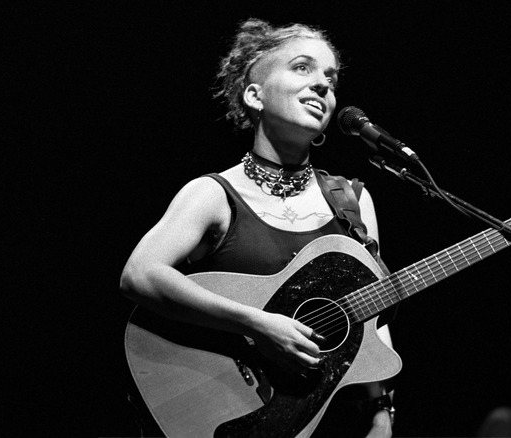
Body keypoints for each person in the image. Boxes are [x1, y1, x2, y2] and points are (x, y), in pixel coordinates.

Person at [120, 18, 396, 437]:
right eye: (302, 68)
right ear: (255, 95)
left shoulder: (353, 200)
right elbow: (140, 275)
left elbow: (370, 320)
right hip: (238, 411)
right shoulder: (212, 194)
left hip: (333, 421)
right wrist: (257, 324)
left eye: (330, 77)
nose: (323, 85)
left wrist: (380, 412)